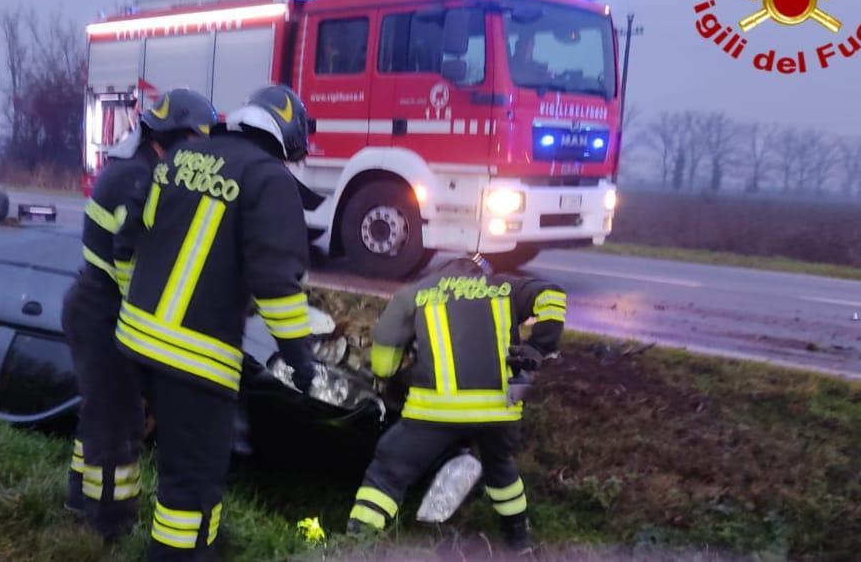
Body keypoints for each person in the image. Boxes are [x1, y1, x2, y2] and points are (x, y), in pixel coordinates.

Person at [114, 84, 318, 559]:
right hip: (196, 362)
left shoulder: (178, 160)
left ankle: (204, 543)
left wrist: (136, 311)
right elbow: (276, 286)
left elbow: (127, 241)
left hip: (133, 344)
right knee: (191, 482)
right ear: (287, 136)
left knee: (164, 462)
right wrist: (301, 362)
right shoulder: (270, 180)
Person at [61, 88, 218, 541]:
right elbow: (129, 259)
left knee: (98, 413)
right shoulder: (140, 180)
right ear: (174, 137)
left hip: (93, 302)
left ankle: (80, 498)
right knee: (118, 423)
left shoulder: (135, 168)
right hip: (104, 310)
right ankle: (111, 525)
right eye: (196, 140)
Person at [346, 256, 567, 552]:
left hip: (435, 413)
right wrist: (540, 345)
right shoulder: (503, 288)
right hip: (499, 411)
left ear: (443, 271)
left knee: (388, 469)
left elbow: (385, 344)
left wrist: (386, 378)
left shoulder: (416, 292)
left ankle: (355, 545)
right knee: (500, 465)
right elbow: (552, 295)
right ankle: (520, 541)